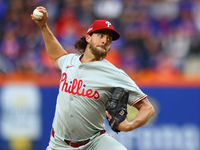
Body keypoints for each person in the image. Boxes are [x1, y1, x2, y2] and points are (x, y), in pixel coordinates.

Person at [31, 6, 155, 150]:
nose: (105, 41)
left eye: (109, 39)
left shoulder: (113, 74)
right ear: (88, 37)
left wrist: (130, 125)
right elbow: (57, 56)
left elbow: (148, 108)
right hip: (58, 144)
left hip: (94, 143)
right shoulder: (70, 61)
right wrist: (44, 26)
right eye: (101, 35)